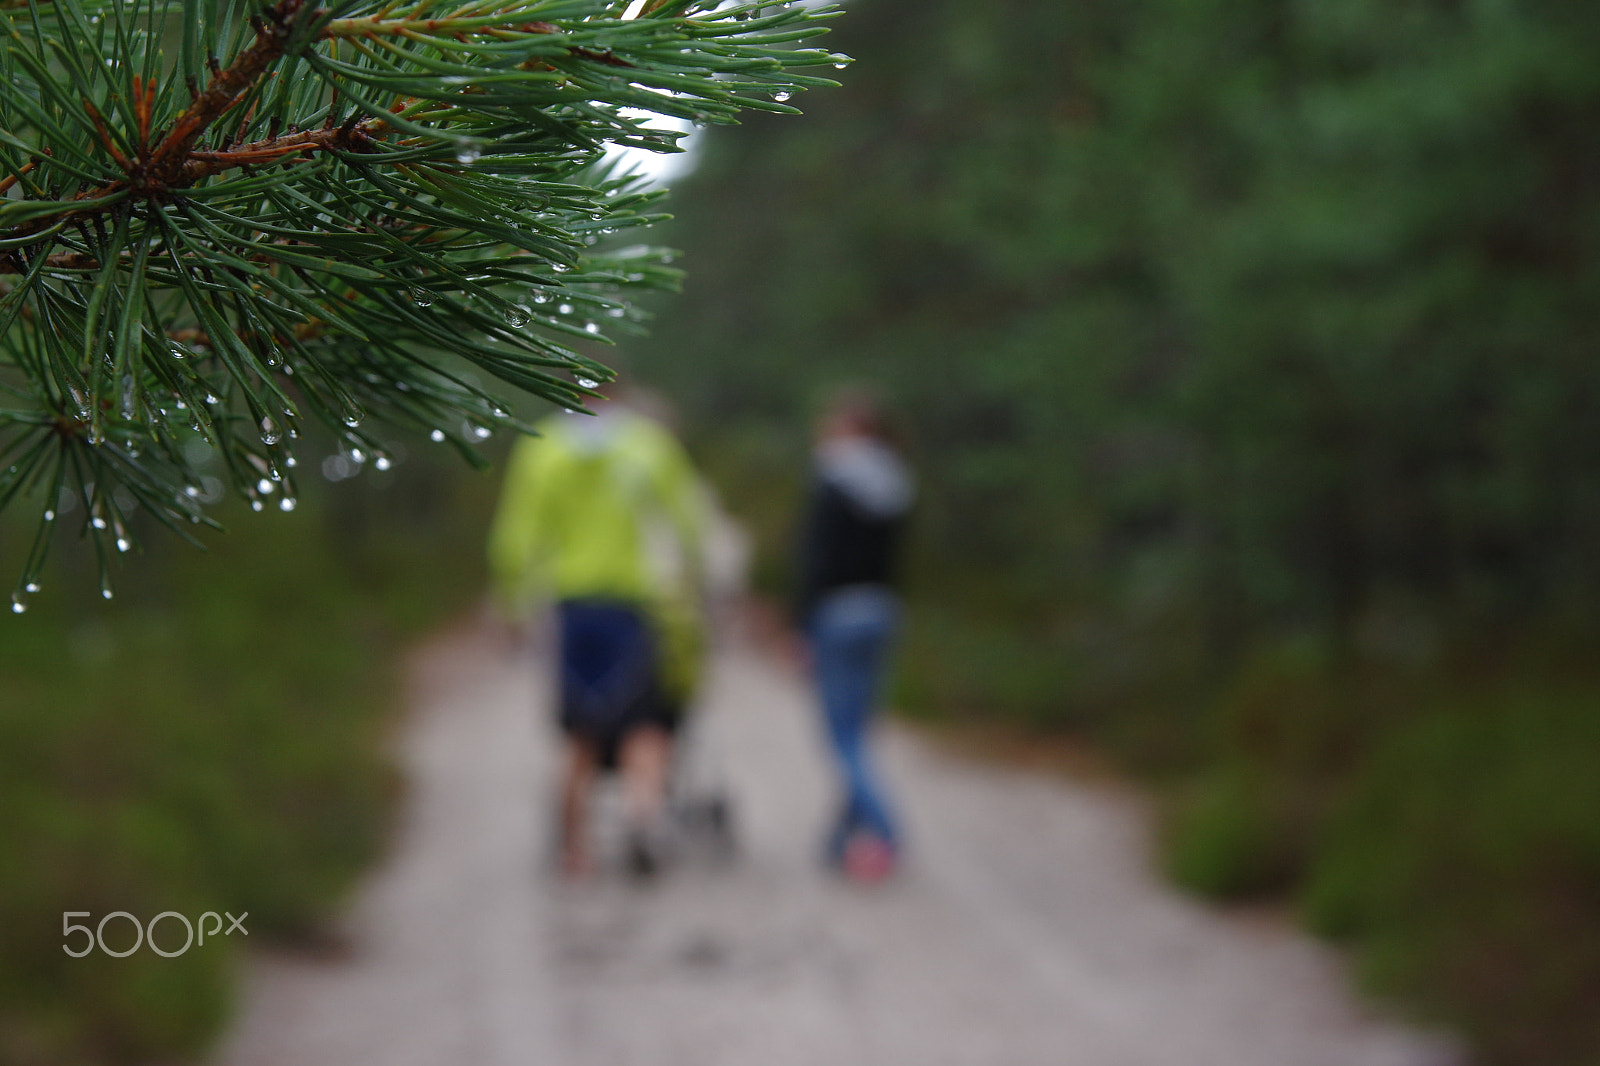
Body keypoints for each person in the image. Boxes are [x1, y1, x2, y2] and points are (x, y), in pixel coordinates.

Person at [489, 386, 706, 878]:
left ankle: (574, 848)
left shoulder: (542, 446)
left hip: (572, 605)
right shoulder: (647, 444)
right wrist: (696, 581)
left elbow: (515, 533)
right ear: (619, 393)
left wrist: (510, 600)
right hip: (632, 602)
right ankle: (641, 817)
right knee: (644, 724)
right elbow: (688, 519)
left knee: (578, 730)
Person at [794, 389, 915, 882]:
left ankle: (885, 832)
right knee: (859, 731)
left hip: (836, 615)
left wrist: (800, 622)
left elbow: (815, 560)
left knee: (841, 737)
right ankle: (842, 837)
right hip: (882, 611)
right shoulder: (896, 481)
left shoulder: (832, 478)